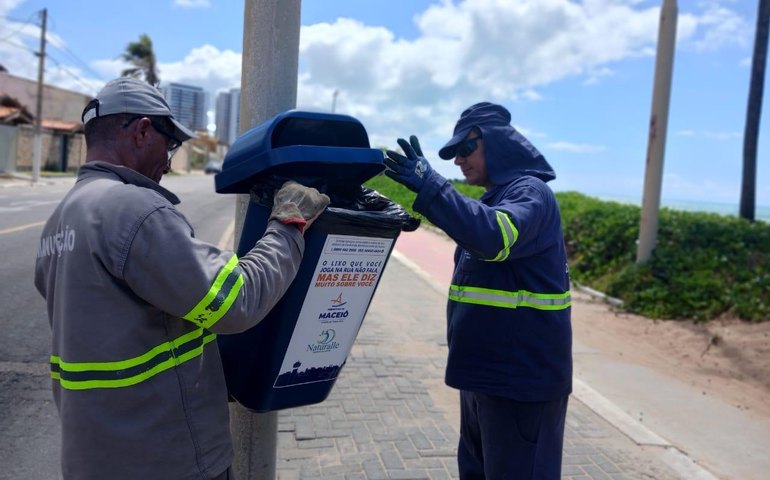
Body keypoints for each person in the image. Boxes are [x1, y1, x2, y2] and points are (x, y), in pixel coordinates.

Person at [33, 77, 330, 480]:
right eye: (169, 144)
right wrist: (289, 225)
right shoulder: (133, 209)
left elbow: (119, 326)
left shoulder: (59, 221)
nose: (169, 162)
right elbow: (236, 302)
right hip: (164, 458)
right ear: (142, 131)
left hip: (93, 457)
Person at [385, 102, 572, 479]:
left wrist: (431, 185)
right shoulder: (496, 199)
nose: (458, 160)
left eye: (466, 148)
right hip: (484, 379)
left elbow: (493, 236)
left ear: (498, 142)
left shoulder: (531, 193)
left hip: (520, 386)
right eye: (454, 153)